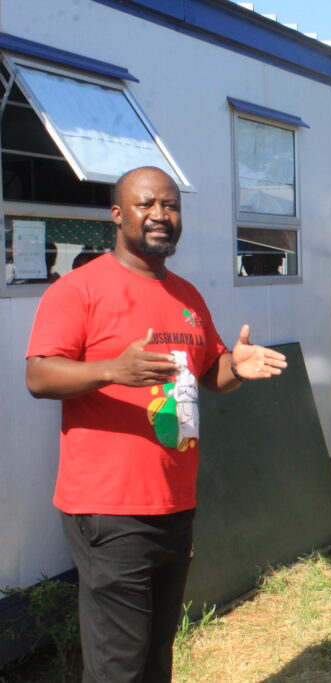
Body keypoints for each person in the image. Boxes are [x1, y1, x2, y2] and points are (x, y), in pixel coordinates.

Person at [24, 166, 287, 682]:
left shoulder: (186, 295)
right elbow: (38, 375)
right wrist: (112, 370)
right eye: (147, 205)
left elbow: (210, 372)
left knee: (155, 657)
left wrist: (237, 365)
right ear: (117, 215)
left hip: (174, 499)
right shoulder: (79, 290)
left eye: (171, 206)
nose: (161, 216)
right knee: (117, 665)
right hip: (109, 508)